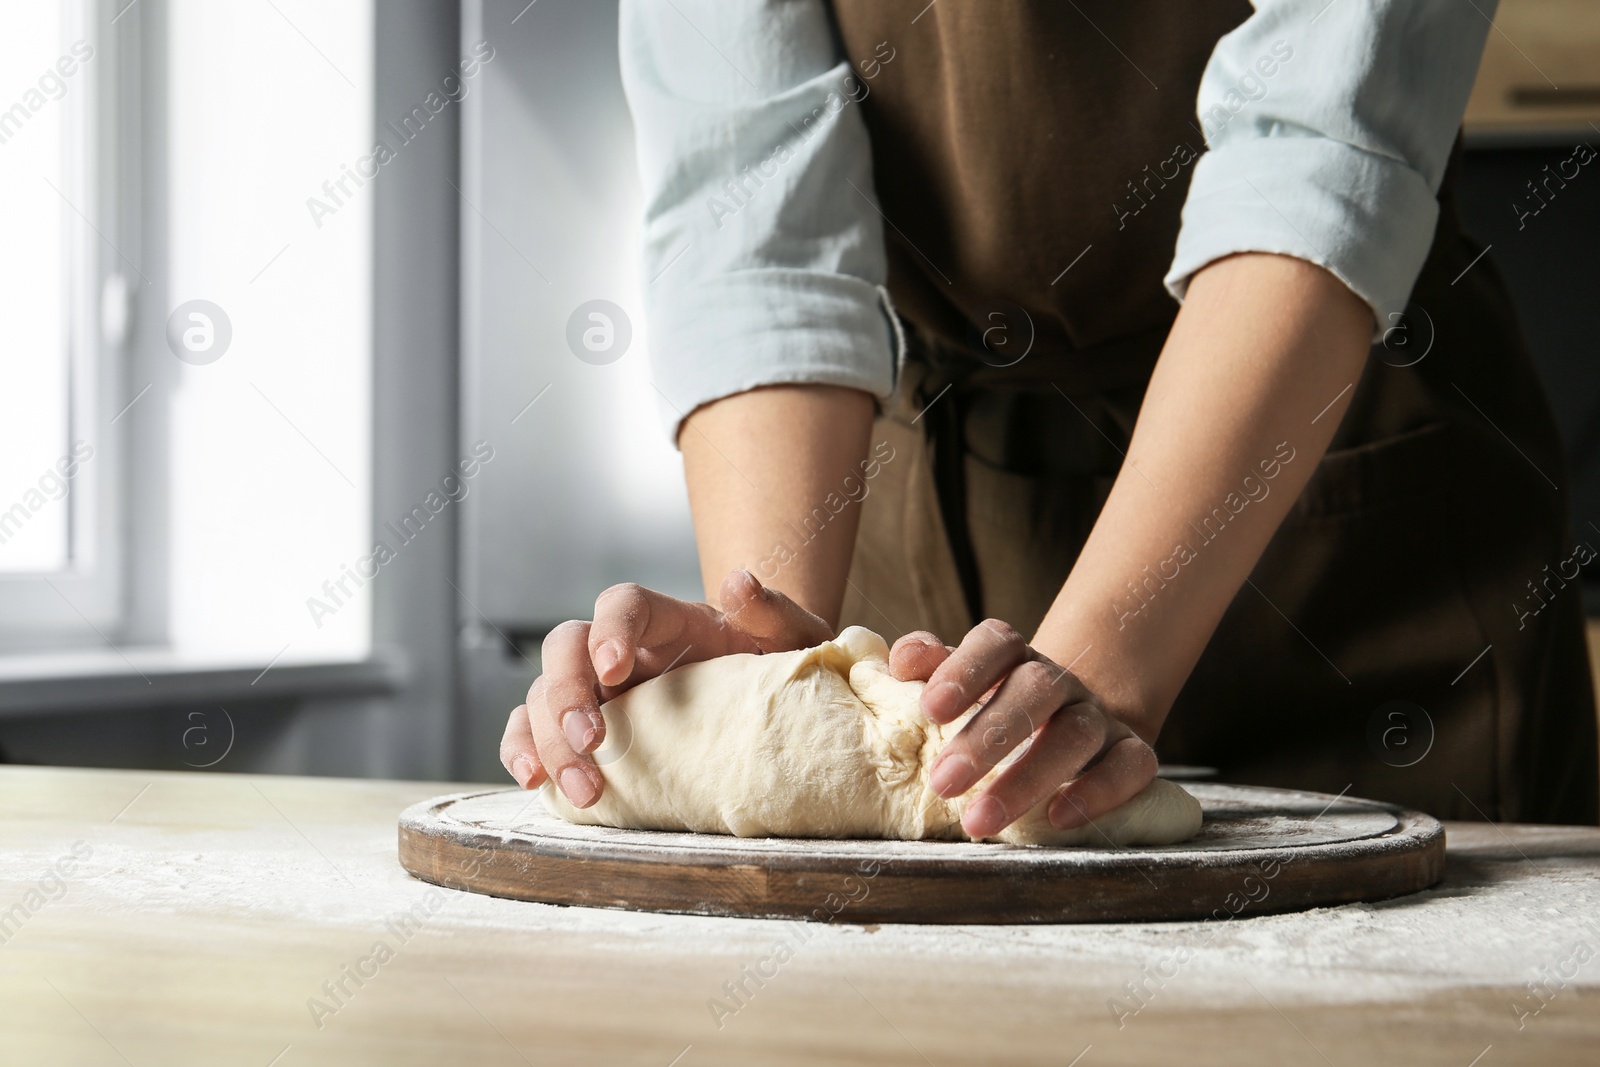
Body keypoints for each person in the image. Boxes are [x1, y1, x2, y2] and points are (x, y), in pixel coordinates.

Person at [501, 0, 1599, 834]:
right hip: (921, 519)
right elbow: (750, 215)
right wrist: (768, 658)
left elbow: (1323, 150)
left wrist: (1098, 673)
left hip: (1346, 515)